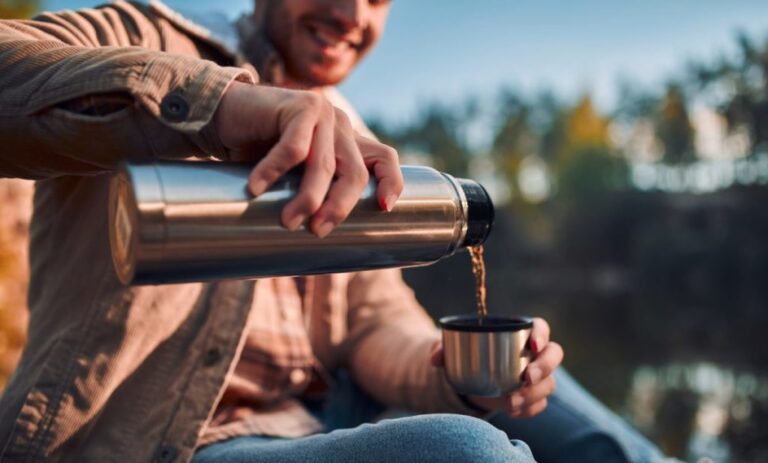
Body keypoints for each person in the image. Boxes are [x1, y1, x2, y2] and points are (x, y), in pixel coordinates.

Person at [0, 1, 671, 462]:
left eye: (378, 1)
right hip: (177, 440)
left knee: (585, 432)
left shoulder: (355, 139)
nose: (353, 17)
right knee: (472, 453)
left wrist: (462, 381)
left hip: (318, 419)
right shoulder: (147, 34)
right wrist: (223, 105)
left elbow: (375, 325)